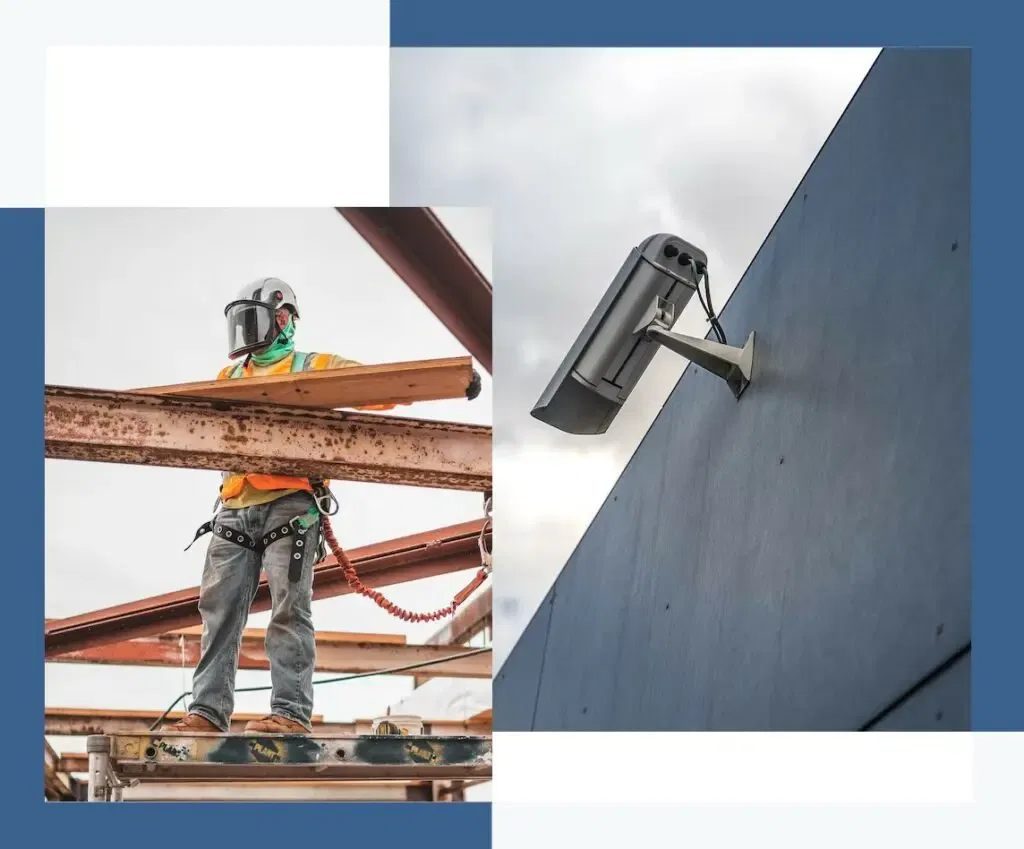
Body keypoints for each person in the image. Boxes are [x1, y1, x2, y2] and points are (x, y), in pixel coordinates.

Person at [164, 278, 481, 735]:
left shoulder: (314, 368)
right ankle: (207, 714)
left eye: (253, 319)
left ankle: (290, 714)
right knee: (219, 613)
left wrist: (447, 382)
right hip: (234, 510)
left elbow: (379, 387)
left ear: (282, 318)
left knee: (290, 611)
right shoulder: (229, 377)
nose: (245, 332)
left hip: (290, 509)